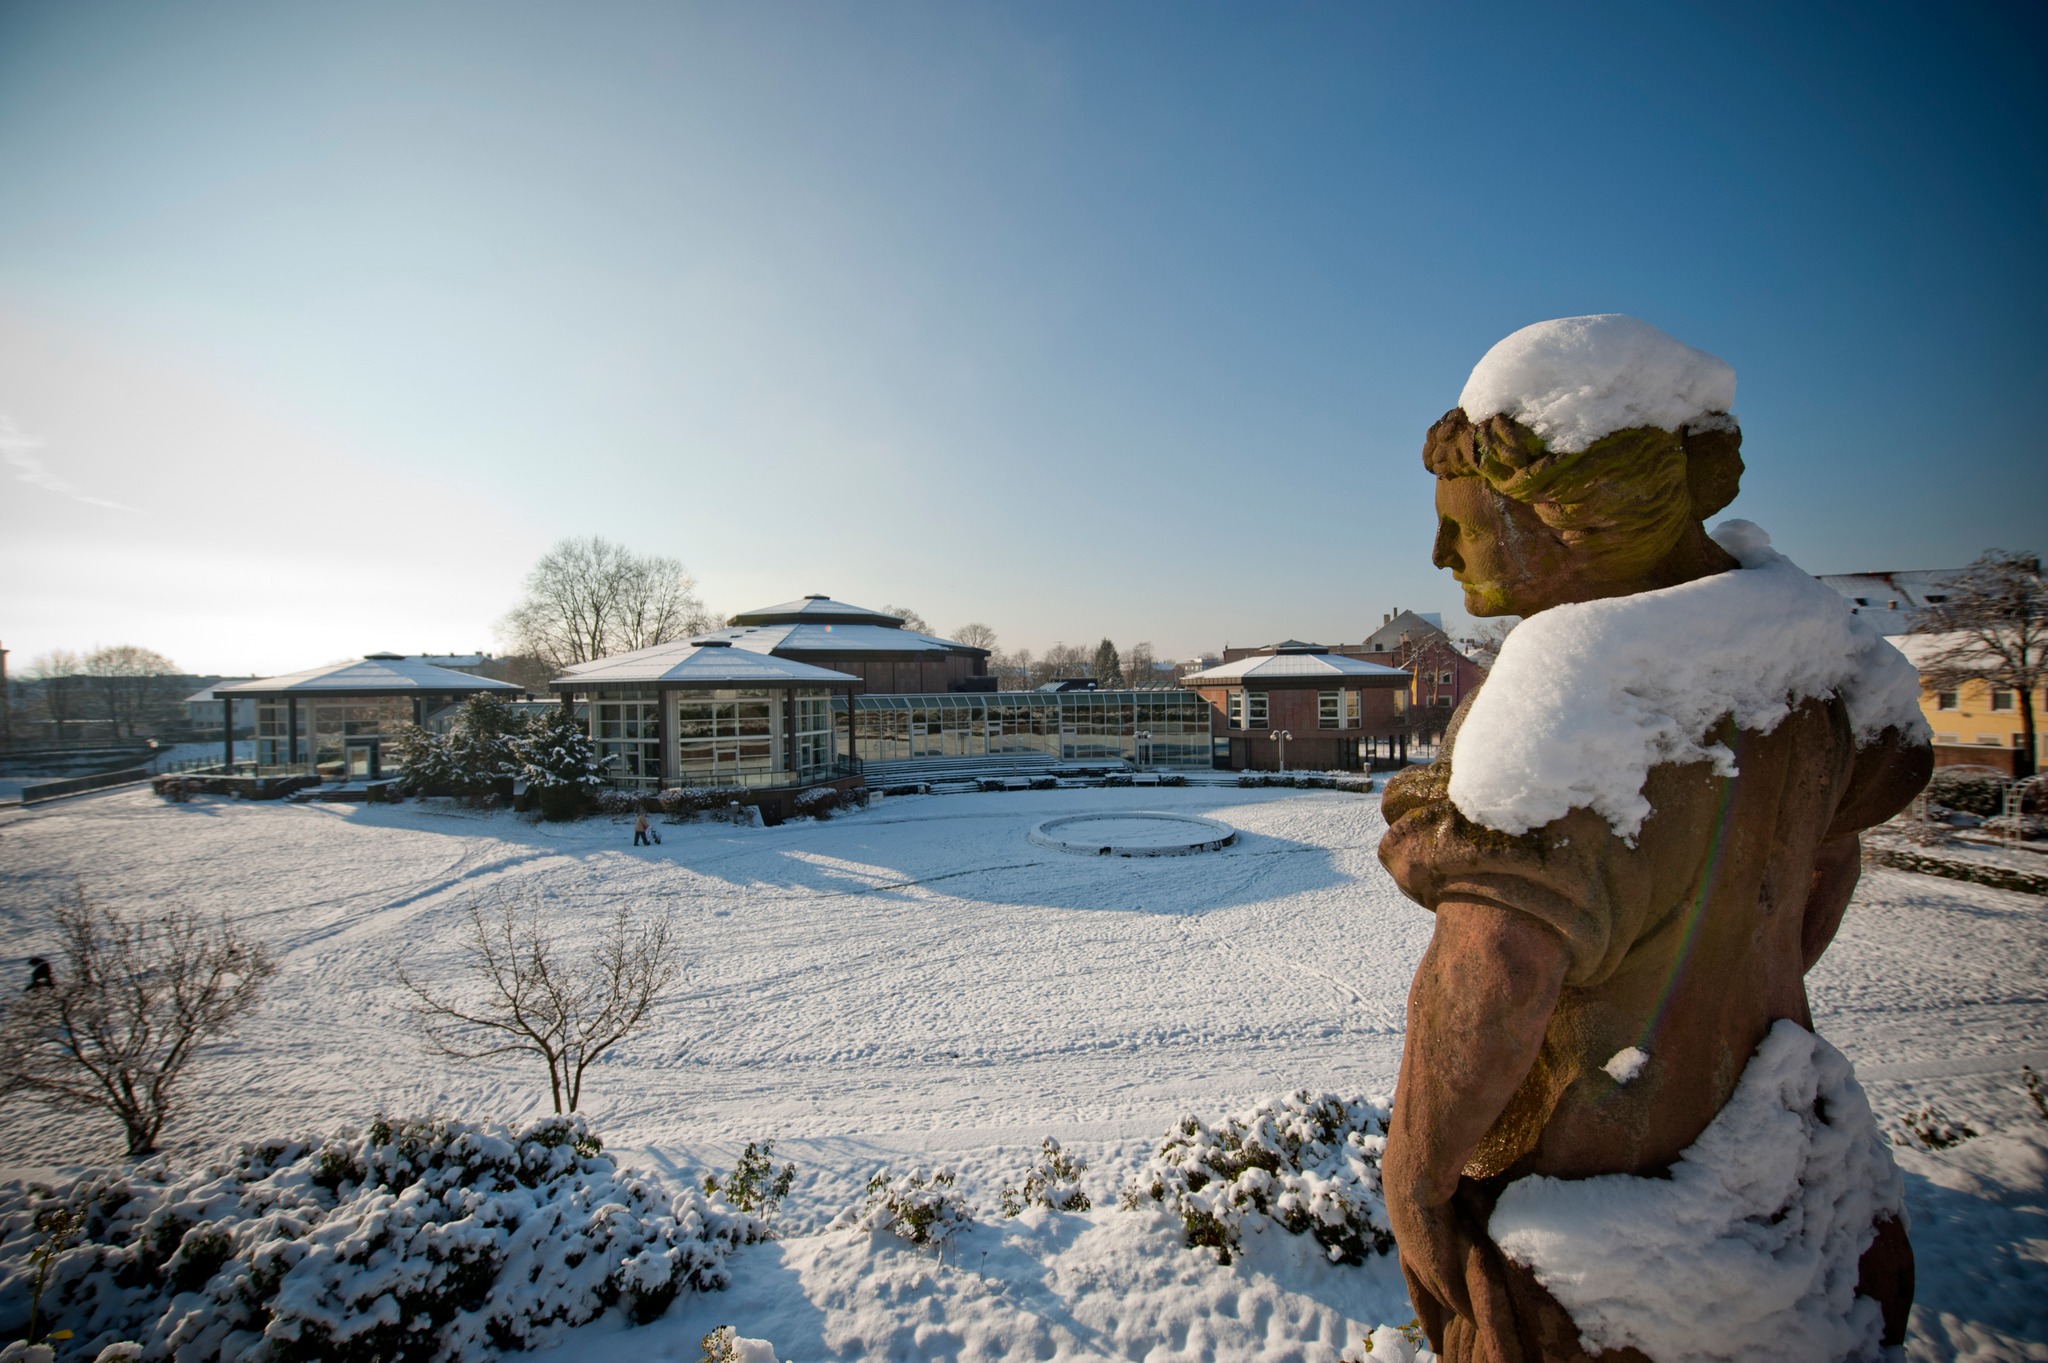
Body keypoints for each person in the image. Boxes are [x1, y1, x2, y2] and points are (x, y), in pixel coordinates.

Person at [1378, 323, 1928, 1362]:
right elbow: (1824, 864)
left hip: (1597, 1227)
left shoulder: (1568, 705)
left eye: (1464, 524)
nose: (1441, 555)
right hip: (1783, 1177)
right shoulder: (1807, 668)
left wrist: (1414, 1175)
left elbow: (1491, 974)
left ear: (1569, 524)